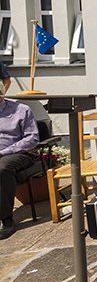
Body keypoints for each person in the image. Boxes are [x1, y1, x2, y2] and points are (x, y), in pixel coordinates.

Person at [0, 85, 38, 239]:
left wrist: (3, 152)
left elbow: (32, 138)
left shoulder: (21, 110)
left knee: (2, 168)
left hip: (18, 153)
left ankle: (6, 220)